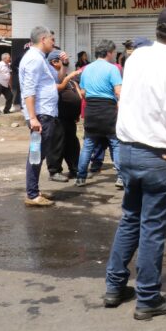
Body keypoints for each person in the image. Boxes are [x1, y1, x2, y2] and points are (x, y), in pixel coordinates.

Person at [104, 5, 166, 320]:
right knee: (153, 228)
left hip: (127, 151)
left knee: (130, 218)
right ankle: (148, 299)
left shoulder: (136, 57)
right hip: (158, 157)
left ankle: (114, 287)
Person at [20, 26, 69, 207]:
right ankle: (32, 194)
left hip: (44, 114)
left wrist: (63, 64)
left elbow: (56, 80)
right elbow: (29, 90)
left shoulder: (40, 59)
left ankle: (34, 190)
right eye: (52, 40)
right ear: (43, 39)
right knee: (36, 154)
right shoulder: (34, 59)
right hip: (40, 115)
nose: (54, 44)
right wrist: (33, 118)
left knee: (38, 153)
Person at [75, 40, 123, 187]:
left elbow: (82, 92)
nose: (114, 55)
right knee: (116, 143)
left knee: (88, 144)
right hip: (108, 109)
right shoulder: (113, 69)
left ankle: (80, 177)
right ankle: (121, 177)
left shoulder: (86, 69)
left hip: (91, 109)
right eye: (114, 52)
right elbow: (118, 92)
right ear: (108, 52)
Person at [47, 51, 82, 179]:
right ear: (54, 62)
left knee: (72, 144)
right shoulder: (50, 75)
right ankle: (55, 171)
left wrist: (76, 111)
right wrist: (69, 76)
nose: (66, 64)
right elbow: (58, 86)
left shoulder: (65, 76)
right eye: (62, 61)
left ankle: (75, 169)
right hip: (58, 117)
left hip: (70, 117)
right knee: (57, 144)